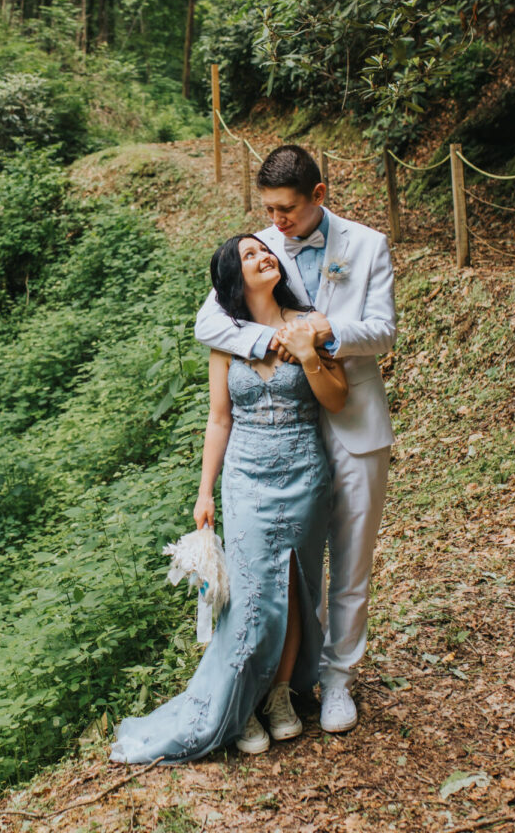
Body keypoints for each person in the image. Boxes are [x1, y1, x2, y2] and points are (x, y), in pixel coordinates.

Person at [110, 233, 348, 763]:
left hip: (304, 472)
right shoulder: (226, 337)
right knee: (250, 597)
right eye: (249, 255)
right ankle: (241, 705)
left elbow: (337, 396)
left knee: (293, 587)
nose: (265, 256)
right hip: (245, 479)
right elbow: (219, 420)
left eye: (265, 251)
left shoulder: (309, 320)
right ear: (234, 278)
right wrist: (205, 492)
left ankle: (282, 696)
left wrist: (309, 355)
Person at [194, 145, 395, 735]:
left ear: (320, 196)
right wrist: (264, 345)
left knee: (351, 561)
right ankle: (275, 684)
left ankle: (337, 681)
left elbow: (382, 330)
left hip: (352, 419)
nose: (276, 223)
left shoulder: (366, 245)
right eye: (268, 210)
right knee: (291, 568)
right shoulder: (258, 246)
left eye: (286, 211)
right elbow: (211, 321)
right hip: (279, 435)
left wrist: (323, 332)